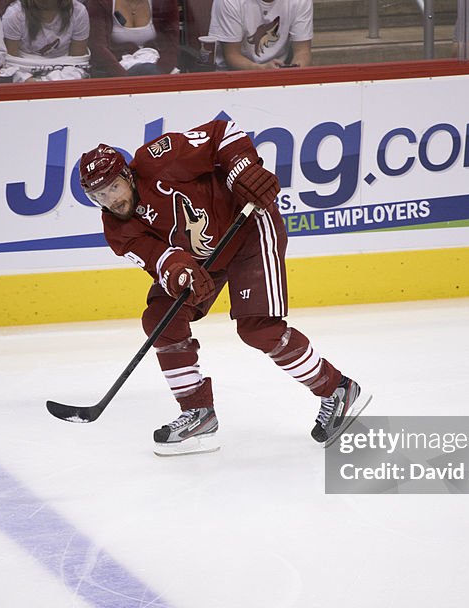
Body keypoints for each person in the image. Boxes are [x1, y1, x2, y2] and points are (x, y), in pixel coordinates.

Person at [78, 119, 369, 456]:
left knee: (258, 329)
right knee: (161, 319)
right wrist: (179, 272)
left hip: (248, 228)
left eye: (113, 187)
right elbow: (158, 258)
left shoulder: (161, 158)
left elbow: (221, 133)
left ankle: (336, 389)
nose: (110, 200)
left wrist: (242, 171)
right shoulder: (115, 227)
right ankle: (197, 411)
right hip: (201, 259)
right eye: (99, 195)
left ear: (127, 175)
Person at [206, 0, 312, 69]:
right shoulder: (229, 2)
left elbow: (302, 51)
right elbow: (231, 55)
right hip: (233, 74)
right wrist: (261, 69)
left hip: (279, 72)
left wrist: (294, 71)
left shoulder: (301, 2)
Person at [2, 0, 89, 81]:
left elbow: (78, 61)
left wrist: (53, 81)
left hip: (66, 74)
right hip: (24, 73)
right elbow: (10, 62)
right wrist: (27, 80)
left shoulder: (78, 11)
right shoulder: (14, 14)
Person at [86, 0, 178, 77]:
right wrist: (126, 79)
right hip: (117, 70)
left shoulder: (165, 2)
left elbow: (171, 46)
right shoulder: (100, 2)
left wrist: (158, 74)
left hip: (157, 68)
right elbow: (97, 47)